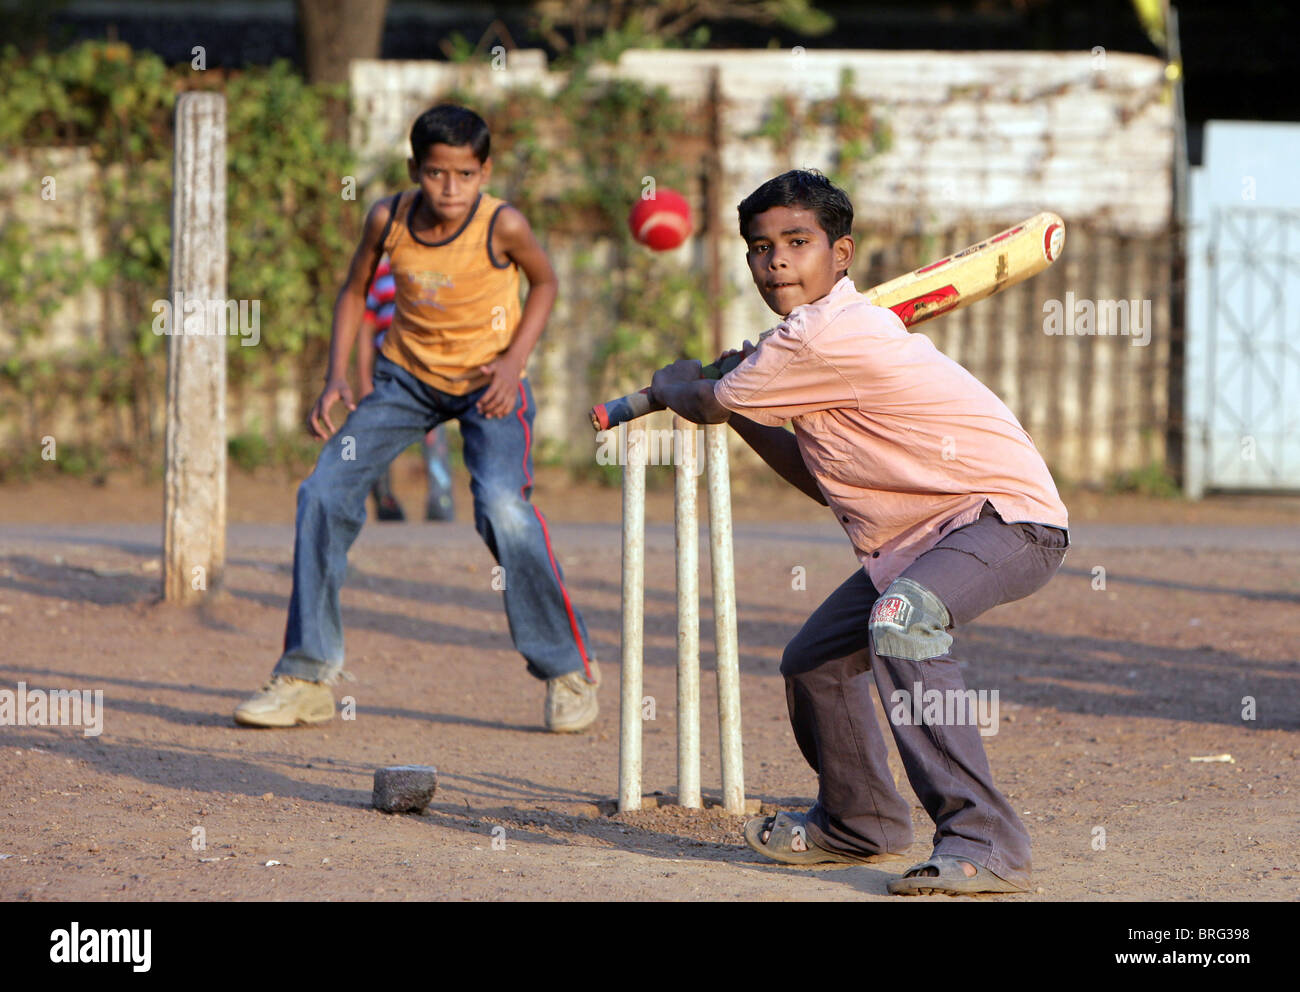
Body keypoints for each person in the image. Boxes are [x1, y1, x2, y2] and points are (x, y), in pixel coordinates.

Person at [648, 170, 1069, 895]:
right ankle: (859, 821)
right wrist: (739, 396)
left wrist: (675, 384)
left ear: (840, 255)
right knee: (814, 660)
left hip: (1006, 517)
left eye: (797, 242)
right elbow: (817, 479)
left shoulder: (820, 335)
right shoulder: (798, 350)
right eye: (759, 247)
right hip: (921, 536)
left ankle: (986, 841)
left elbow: (706, 401)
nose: (775, 260)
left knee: (903, 623)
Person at [234, 104, 599, 733]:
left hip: (490, 386)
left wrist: (514, 363)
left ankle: (567, 671)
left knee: (503, 509)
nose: (449, 188)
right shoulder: (388, 217)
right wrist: (336, 376)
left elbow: (545, 283)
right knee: (323, 491)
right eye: (435, 174)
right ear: (415, 169)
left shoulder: (502, 225)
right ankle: (307, 674)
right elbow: (353, 290)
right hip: (405, 382)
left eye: (464, 174)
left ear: (484, 172)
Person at [356, 255, 456, 523]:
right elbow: (365, 330)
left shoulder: (435, 271)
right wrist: (364, 381)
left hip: (427, 368)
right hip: (386, 369)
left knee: (434, 437)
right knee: (378, 438)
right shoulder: (380, 275)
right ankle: (386, 502)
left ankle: (441, 502)